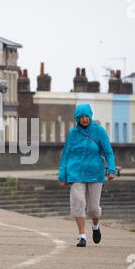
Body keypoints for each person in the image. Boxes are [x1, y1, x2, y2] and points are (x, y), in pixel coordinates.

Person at [58, 104, 116, 247]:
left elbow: (108, 152)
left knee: (93, 209)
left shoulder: (99, 131)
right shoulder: (72, 133)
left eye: (86, 117)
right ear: (77, 118)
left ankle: (95, 226)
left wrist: (111, 170)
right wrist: (62, 176)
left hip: (95, 173)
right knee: (78, 203)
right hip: (76, 173)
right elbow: (66, 154)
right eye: (81, 117)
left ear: (90, 117)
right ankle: (82, 236)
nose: (84, 119)